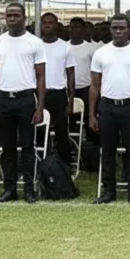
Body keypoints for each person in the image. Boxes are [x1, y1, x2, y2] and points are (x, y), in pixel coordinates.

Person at [0, 3, 47, 204]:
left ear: (24, 17)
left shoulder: (35, 43)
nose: (12, 19)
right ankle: (9, 189)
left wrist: (40, 107)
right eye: (9, 15)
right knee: (7, 147)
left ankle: (30, 189)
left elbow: (40, 77)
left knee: (28, 147)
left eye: (16, 15)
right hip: (4, 99)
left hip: (26, 99)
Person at [89, 14, 130, 204]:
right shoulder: (101, 53)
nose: (118, 31)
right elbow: (94, 85)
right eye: (114, 28)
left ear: (129, 29)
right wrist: (92, 114)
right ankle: (109, 191)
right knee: (107, 151)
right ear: (110, 29)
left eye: (122, 28)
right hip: (107, 106)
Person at [39, 13, 76, 166]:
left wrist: (71, 100)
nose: (47, 25)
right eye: (45, 23)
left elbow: (71, 74)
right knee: (39, 130)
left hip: (58, 94)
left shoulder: (65, 46)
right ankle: (41, 162)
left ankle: (64, 165)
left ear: (57, 25)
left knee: (61, 131)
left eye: (51, 23)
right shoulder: (35, 45)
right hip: (38, 93)